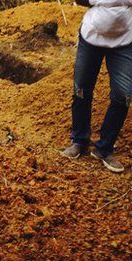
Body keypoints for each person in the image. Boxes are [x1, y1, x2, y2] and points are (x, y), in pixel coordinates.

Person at [61, 0, 132, 173]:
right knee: (81, 90)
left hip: (125, 39)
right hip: (91, 35)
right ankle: (79, 140)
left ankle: (104, 148)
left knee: (123, 95)